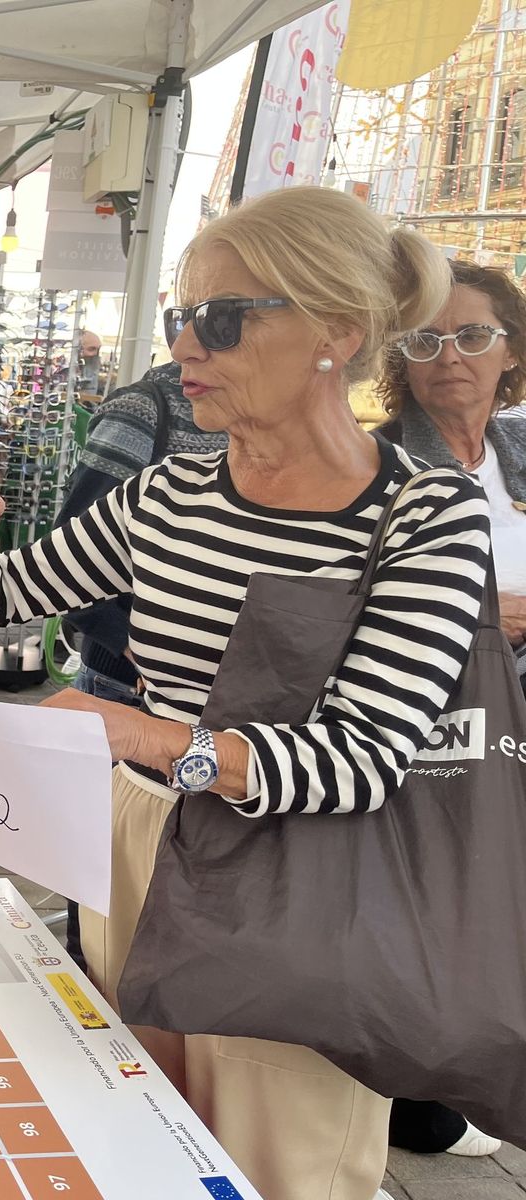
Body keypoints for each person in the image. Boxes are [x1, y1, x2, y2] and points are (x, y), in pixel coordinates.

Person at [0, 185, 488, 1200]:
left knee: (283, 1164)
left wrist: (130, 733)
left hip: (306, 885)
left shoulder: (423, 512)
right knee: (131, 1131)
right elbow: (7, 602)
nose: (185, 347)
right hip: (140, 854)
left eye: (220, 321)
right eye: (179, 319)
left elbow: (359, 762)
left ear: (337, 334)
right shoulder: (173, 489)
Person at [374, 258, 526, 1161]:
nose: (451, 358)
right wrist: (485, 612)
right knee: (427, 897)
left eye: (474, 336)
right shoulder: (385, 462)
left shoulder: (517, 452)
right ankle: (413, 1087)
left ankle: (470, 1068)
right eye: (425, 340)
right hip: (432, 721)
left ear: (510, 350)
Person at [53, 360, 227, 967]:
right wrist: (139, 643)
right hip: (124, 686)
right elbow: (66, 567)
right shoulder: (145, 410)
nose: (194, 340)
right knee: (103, 893)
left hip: (220, 733)